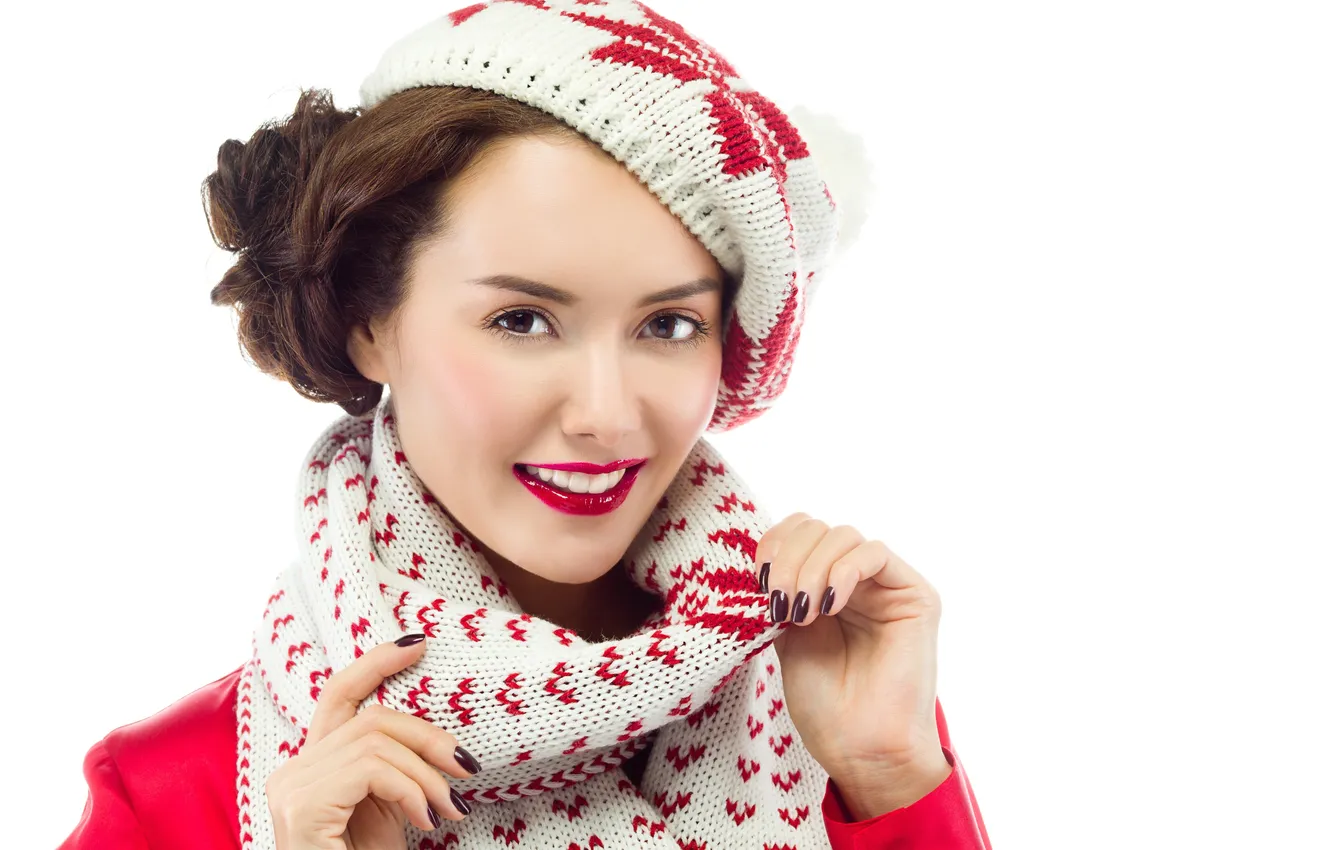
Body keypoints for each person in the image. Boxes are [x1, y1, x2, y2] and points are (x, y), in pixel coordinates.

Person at [58, 1, 991, 847]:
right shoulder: (176, 795)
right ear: (368, 325)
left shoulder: (833, 706)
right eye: (522, 321)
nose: (605, 414)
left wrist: (890, 779)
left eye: (668, 325)